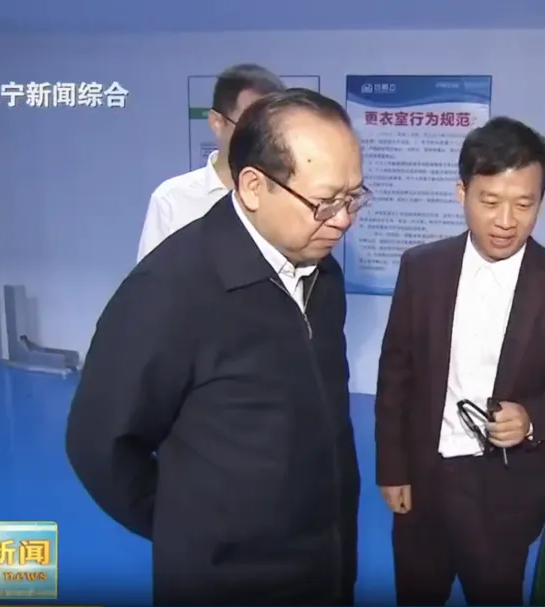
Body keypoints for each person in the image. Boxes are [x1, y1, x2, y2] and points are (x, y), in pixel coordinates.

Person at [66, 89, 370, 606]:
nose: (342, 220)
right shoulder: (170, 291)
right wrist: (196, 531)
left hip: (325, 564)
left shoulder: (324, 274)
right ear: (253, 186)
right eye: (325, 202)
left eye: (353, 198)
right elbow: (100, 445)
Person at [374, 116, 545, 606]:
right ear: (462, 193)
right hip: (425, 478)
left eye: (524, 204)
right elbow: (396, 372)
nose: (506, 221)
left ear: (541, 200)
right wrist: (392, 468)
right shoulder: (421, 268)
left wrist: (532, 417)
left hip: (504, 489)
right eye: (490, 201)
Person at [136, 63, 285, 262]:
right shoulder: (172, 201)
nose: (263, 137)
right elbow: (151, 279)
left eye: (272, 127)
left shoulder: (289, 196)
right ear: (217, 122)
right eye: (250, 126)